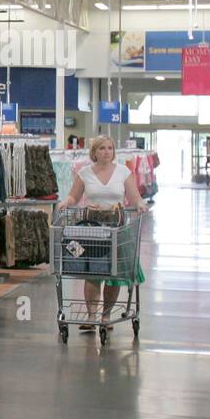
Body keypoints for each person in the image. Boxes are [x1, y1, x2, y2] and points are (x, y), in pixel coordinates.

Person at [61, 135, 148, 332]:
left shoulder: (123, 172)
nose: (106, 151)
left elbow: (134, 197)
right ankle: (92, 316)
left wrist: (140, 204)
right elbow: (74, 196)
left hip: (117, 229)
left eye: (109, 148)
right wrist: (66, 202)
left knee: (113, 275)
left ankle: (106, 315)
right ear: (94, 152)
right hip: (92, 230)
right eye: (102, 148)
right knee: (92, 273)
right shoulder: (84, 173)